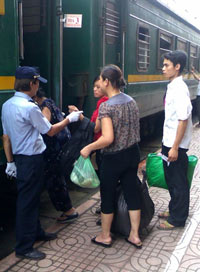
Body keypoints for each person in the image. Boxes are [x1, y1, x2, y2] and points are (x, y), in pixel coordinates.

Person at [1, 66, 82, 260]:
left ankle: (36, 232)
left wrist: (10, 162)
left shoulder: (8, 105)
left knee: (31, 198)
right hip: (32, 160)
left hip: (21, 159)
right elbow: (50, 131)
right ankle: (24, 247)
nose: (38, 88)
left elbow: (6, 137)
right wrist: (69, 119)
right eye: (37, 83)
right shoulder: (30, 107)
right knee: (27, 202)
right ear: (31, 83)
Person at [80, 65, 142, 248]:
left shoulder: (106, 107)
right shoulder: (131, 100)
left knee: (107, 195)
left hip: (113, 158)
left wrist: (89, 148)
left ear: (107, 81)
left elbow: (108, 138)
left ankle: (105, 236)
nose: (99, 82)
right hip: (133, 153)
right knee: (132, 193)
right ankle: (134, 235)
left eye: (100, 78)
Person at [158, 51, 193, 230]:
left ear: (177, 67)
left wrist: (175, 147)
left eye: (166, 65)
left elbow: (183, 119)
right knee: (171, 179)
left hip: (175, 145)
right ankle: (173, 209)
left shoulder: (179, 89)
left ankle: (177, 219)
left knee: (178, 181)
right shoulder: (173, 85)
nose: (163, 68)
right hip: (169, 141)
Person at [34, 88, 78, 223]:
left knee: (55, 181)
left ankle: (69, 210)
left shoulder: (44, 106)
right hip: (56, 148)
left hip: (52, 149)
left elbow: (46, 127)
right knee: (56, 179)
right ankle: (68, 210)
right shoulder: (49, 102)